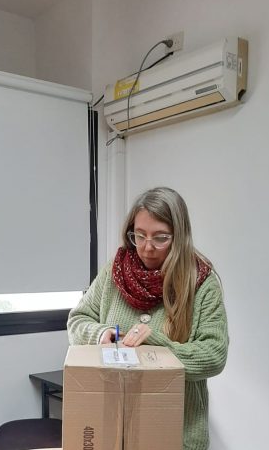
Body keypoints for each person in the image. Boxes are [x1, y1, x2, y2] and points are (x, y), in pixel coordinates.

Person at [67, 186, 229, 450]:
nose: (147, 247)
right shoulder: (115, 272)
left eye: (160, 238)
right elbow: (77, 320)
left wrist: (156, 347)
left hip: (177, 435)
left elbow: (214, 355)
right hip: (115, 431)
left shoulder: (201, 283)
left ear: (179, 236)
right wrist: (101, 333)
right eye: (139, 235)